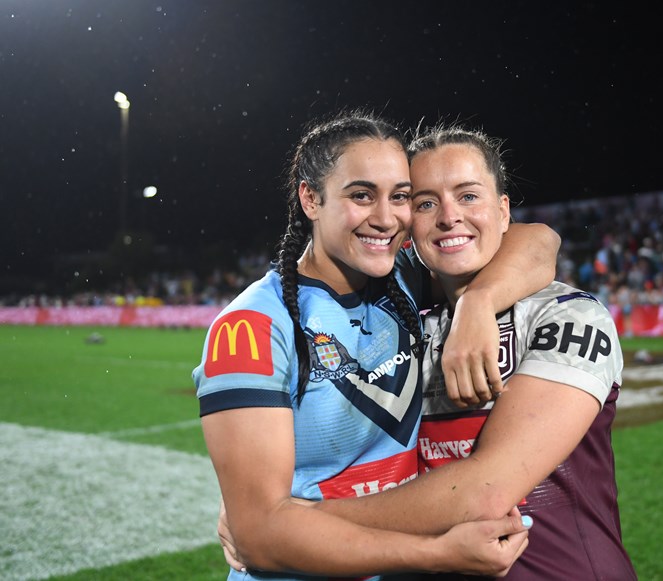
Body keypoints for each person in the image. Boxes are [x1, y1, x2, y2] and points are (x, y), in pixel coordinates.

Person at [194, 111, 561, 580]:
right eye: (362, 195)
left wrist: (479, 303)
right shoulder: (251, 327)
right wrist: (437, 554)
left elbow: (538, 240)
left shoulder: (398, 280)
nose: (387, 218)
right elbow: (260, 538)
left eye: (401, 197)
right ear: (310, 198)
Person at [262, 125, 636, 580]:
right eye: (424, 202)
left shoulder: (568, 317)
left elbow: (485, 490)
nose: (449, 217)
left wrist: (288, 526)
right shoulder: (401, 320)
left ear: (503, 212)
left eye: (469, 196)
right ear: (407, 226)